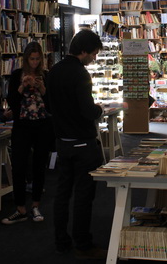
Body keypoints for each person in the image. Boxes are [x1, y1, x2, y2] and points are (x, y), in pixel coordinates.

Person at [46, 29, 106, 260]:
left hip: (62, 142)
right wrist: (99, 108)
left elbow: (50, 107)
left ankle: (61, 241)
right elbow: (87, 110)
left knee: (62, 194)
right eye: (93, 54)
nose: (95, 58)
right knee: (83, 195)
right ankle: (83, 243)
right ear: (83, 52)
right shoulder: (80, 74)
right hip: (83, 144)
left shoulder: (54, 71)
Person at [2, 41, 52, 224]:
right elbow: (12, 104)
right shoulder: (16, 75)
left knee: (39, 166)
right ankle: (20, 208)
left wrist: (43, 89)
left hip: (42, 126)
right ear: (26, 59)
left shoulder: (46, 75)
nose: (35, 63)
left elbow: (52, 105)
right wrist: (22, 87)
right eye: (32, 59)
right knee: (19, 166)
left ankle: (36, 206)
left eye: (38, 59)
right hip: (22, 126)